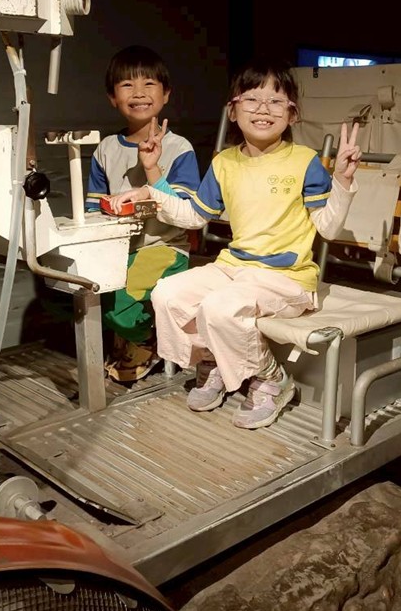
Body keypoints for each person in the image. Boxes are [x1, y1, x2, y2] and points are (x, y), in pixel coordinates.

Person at [105, 58, 361, 428]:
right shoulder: (224, 162)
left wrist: (343, 181)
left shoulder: (305, 161)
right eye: (252, 99)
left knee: (220, 307)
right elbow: (194, 216)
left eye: (276, 101)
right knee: (168, 294)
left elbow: (329, 228)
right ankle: (213, 361)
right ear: (233, 110)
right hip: (235, 268)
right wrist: (153, 181)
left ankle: (272, 378)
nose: (263, 109)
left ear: (292, 114)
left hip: (287, 277)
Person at [85, 45, 200, 382]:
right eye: (127, 85)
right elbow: (94, 207)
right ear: (112, 97)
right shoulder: (106, 148)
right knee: (78, 290)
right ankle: (131, 333)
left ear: (166, 94)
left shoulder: (180, 148)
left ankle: (150, 339)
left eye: (149, 84)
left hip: (163, 248)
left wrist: (152, 171)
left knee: (119, 306)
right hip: (118, 248)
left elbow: (185, 211)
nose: (138, 92)